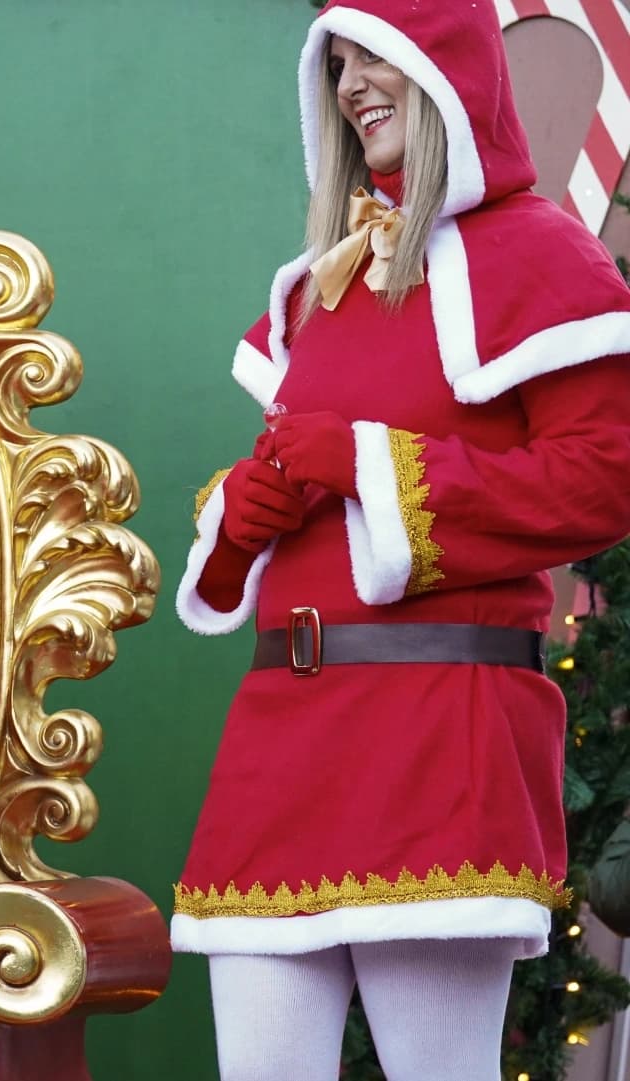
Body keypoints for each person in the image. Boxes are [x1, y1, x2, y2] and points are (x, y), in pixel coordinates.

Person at [171, 3, 630, 1077]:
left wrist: (371, 464)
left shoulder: (540, 255)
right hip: (280, 739)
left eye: (377, 54)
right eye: (336, 63)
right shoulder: (322, 284)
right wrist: (241, 518)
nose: (351, 85)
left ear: (448, 65)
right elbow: (292, 494)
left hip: (440, 733)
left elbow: (604, 477)